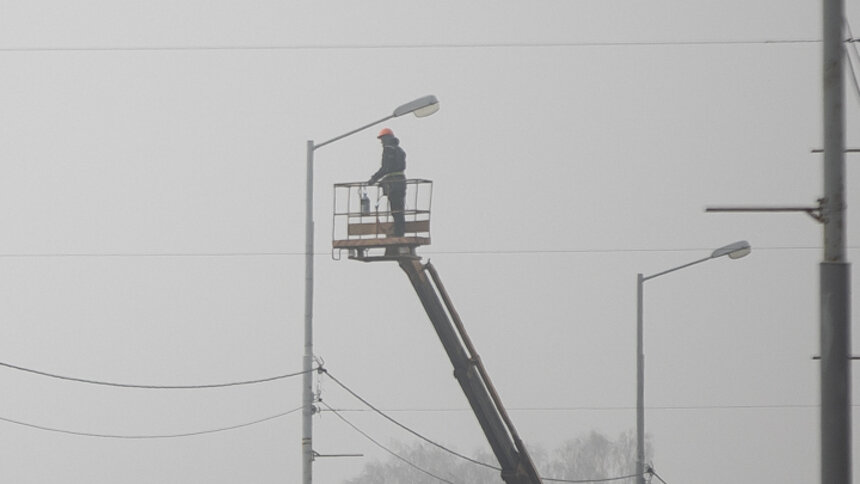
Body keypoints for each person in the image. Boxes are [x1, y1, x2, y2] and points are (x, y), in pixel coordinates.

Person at [368, 127, 407, 237]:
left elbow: (386, 168)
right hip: (401, 182)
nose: (381, 143)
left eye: (382, 140)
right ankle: (400, 231)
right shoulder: (400, 150)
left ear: (387, 138)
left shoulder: (389, 149)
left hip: (394, 183)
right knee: (399, 209)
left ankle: (398, 233)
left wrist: (374, 178)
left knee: (395, 209)